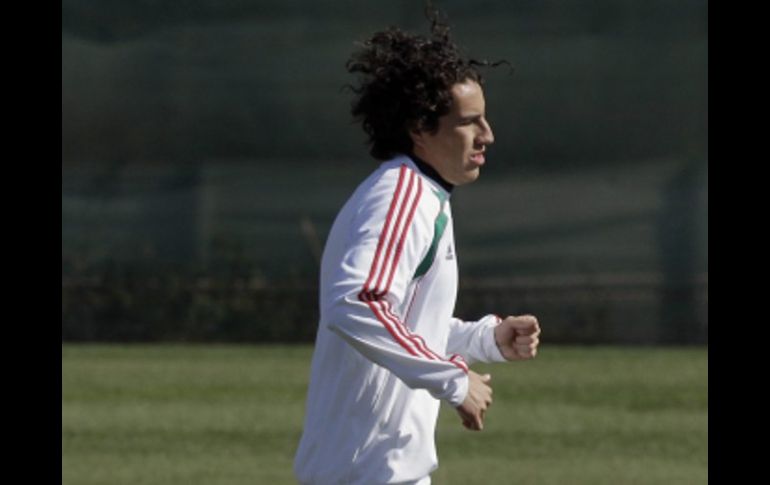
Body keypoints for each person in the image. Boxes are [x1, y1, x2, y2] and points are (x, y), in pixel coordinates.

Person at [294, 10, 541, 485]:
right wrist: (452, 379)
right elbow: (356, 303)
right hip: (366, 474)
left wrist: (484, 340)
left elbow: (404, 317)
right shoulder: (401, 199)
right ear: (420, 128)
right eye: (470, 123)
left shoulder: (424, 195)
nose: (487, 135)